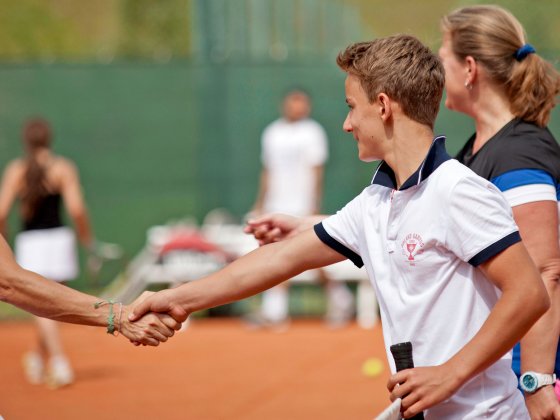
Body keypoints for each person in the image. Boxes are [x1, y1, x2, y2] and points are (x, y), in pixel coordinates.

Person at [130, 34, 550, 418]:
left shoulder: (457, 190)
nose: (347, 124)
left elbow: (530, 293)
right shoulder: (375, 203)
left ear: (383, 106)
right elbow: (278, 259)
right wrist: (179, 298)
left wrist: (451, 372)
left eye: (352, 107)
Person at [439, 5, 560, 418]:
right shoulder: (480, 147)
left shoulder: (519, 151)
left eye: (443, 58)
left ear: (469, 68)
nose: (438, 72)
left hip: (524, 384)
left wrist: (537, 379)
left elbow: (546, 271)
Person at [0, 118, 176, 388]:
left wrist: (4, 240)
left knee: (42, 303)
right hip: (58, 240)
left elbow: (1, 211)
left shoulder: (17, 170)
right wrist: (87, 239)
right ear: (49, 138)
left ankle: (48, 360)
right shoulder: (61, 168)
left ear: (26, 140)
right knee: (47, 299)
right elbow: (77, 208)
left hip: (30, 242)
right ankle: (51, 360)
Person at [249, 89, 353, 328]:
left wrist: (313, 204)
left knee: (310, 258)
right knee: (275, 253)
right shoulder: (272, 133)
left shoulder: (312, 132)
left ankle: (341, 299)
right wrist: (260, 203)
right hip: (276, 204)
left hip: (302, 208)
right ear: (285, 105)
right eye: (295, 102)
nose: (299, 107)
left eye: (303, 103)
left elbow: (317, 171)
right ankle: (275, 311)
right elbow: (267, 170)